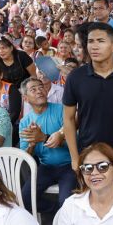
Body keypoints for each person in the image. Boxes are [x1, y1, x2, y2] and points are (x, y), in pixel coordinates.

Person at [63, 22, 113, 191]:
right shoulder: (76, 77)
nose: (94, 46)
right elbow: (68, 119)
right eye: (91, 41)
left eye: (100, 41)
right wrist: (75, 158)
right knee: (93, 210)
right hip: (89, 158)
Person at [18, 77, 74, 213]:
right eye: (33, 89)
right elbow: (25, 156)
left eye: (41, 87)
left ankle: (62, 213)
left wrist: (43, 137)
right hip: (46, 167)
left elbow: (75, 143)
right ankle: (56, 211)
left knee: (65, 202)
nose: (39, 91)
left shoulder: (62, 111)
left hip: (69, 166)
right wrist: (31, 144)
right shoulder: (25, 121)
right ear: (26, 98)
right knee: (24, 200)